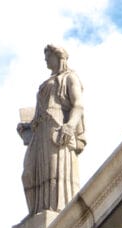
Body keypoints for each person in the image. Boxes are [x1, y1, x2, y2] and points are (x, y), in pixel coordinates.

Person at [18, 45, 85, 215]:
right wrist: (27, 127)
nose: (46, 59)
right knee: (28, 174)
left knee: (55, 172)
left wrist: (70, 125)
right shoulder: (46, 83)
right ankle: (35, 213)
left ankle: (56, 211)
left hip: (56, 129)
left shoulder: (70, 77)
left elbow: (78, 105)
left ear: (59, 57)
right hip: (40, 131)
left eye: (49, 56)